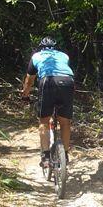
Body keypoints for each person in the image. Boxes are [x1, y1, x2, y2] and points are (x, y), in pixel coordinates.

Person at [21, 37, 75, 167]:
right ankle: (65, 155)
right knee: (65, 122)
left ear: (41, 47)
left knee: (44, 120)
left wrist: (25, 95)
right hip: (67, 82)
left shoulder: (36, 56)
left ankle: (45, 157)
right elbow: (65, 71)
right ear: (55, 47)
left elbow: (29, 81)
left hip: (48, 82)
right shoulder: (64, 56)